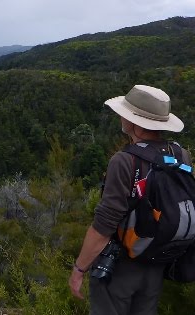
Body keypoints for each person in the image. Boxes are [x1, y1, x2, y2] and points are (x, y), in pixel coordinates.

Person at [68, 85, 190, 314]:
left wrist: (79, 269)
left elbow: (104, 226)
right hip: (157, 262)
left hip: (120, 267)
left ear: (134, 123)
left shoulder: (124, 161)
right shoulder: (180, 154)